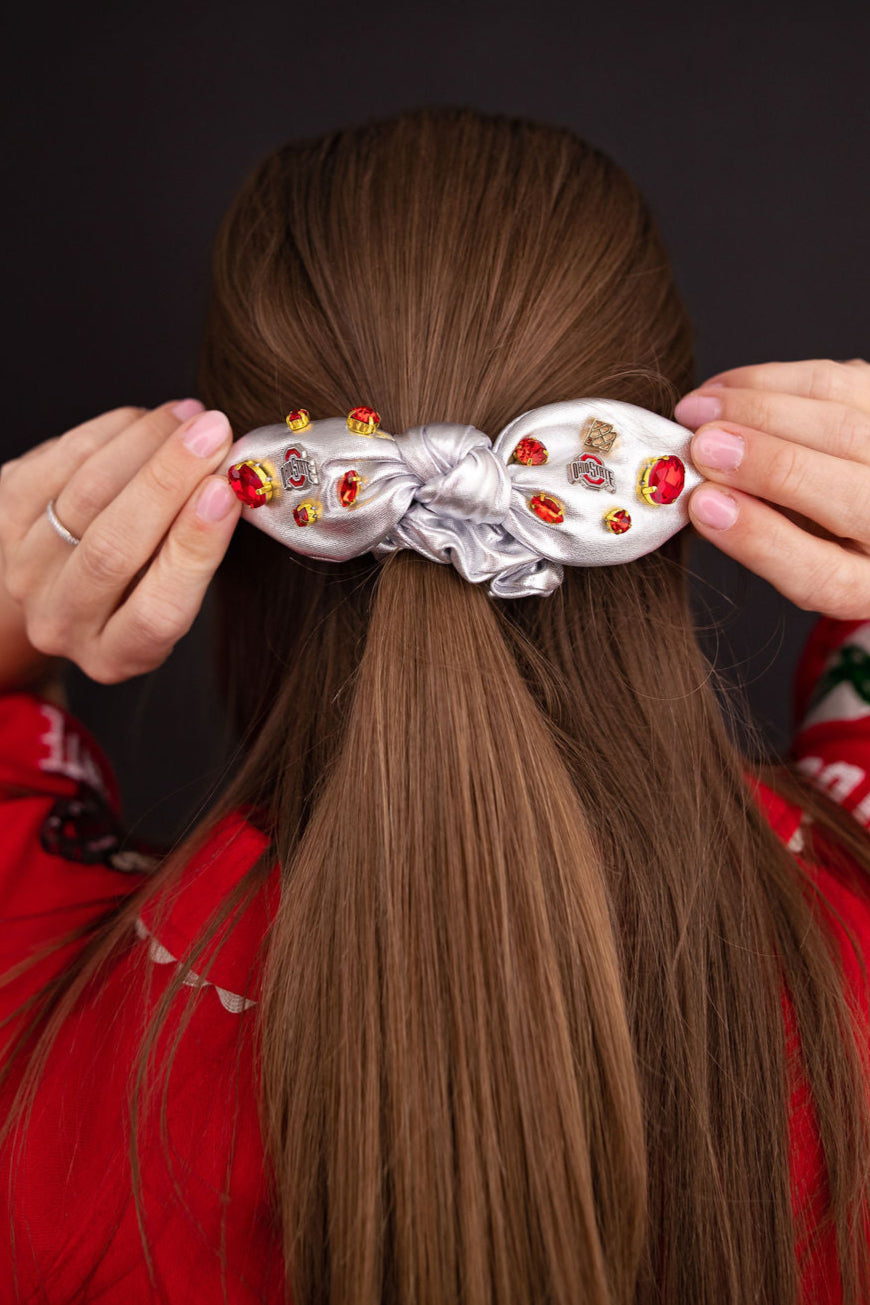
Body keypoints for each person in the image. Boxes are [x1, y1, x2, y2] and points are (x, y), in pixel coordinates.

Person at [0, 106, 869, 1305]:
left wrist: (10, 621)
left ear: (239, 503)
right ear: (654, 468)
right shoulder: (850, 947)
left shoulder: (40, 1049)